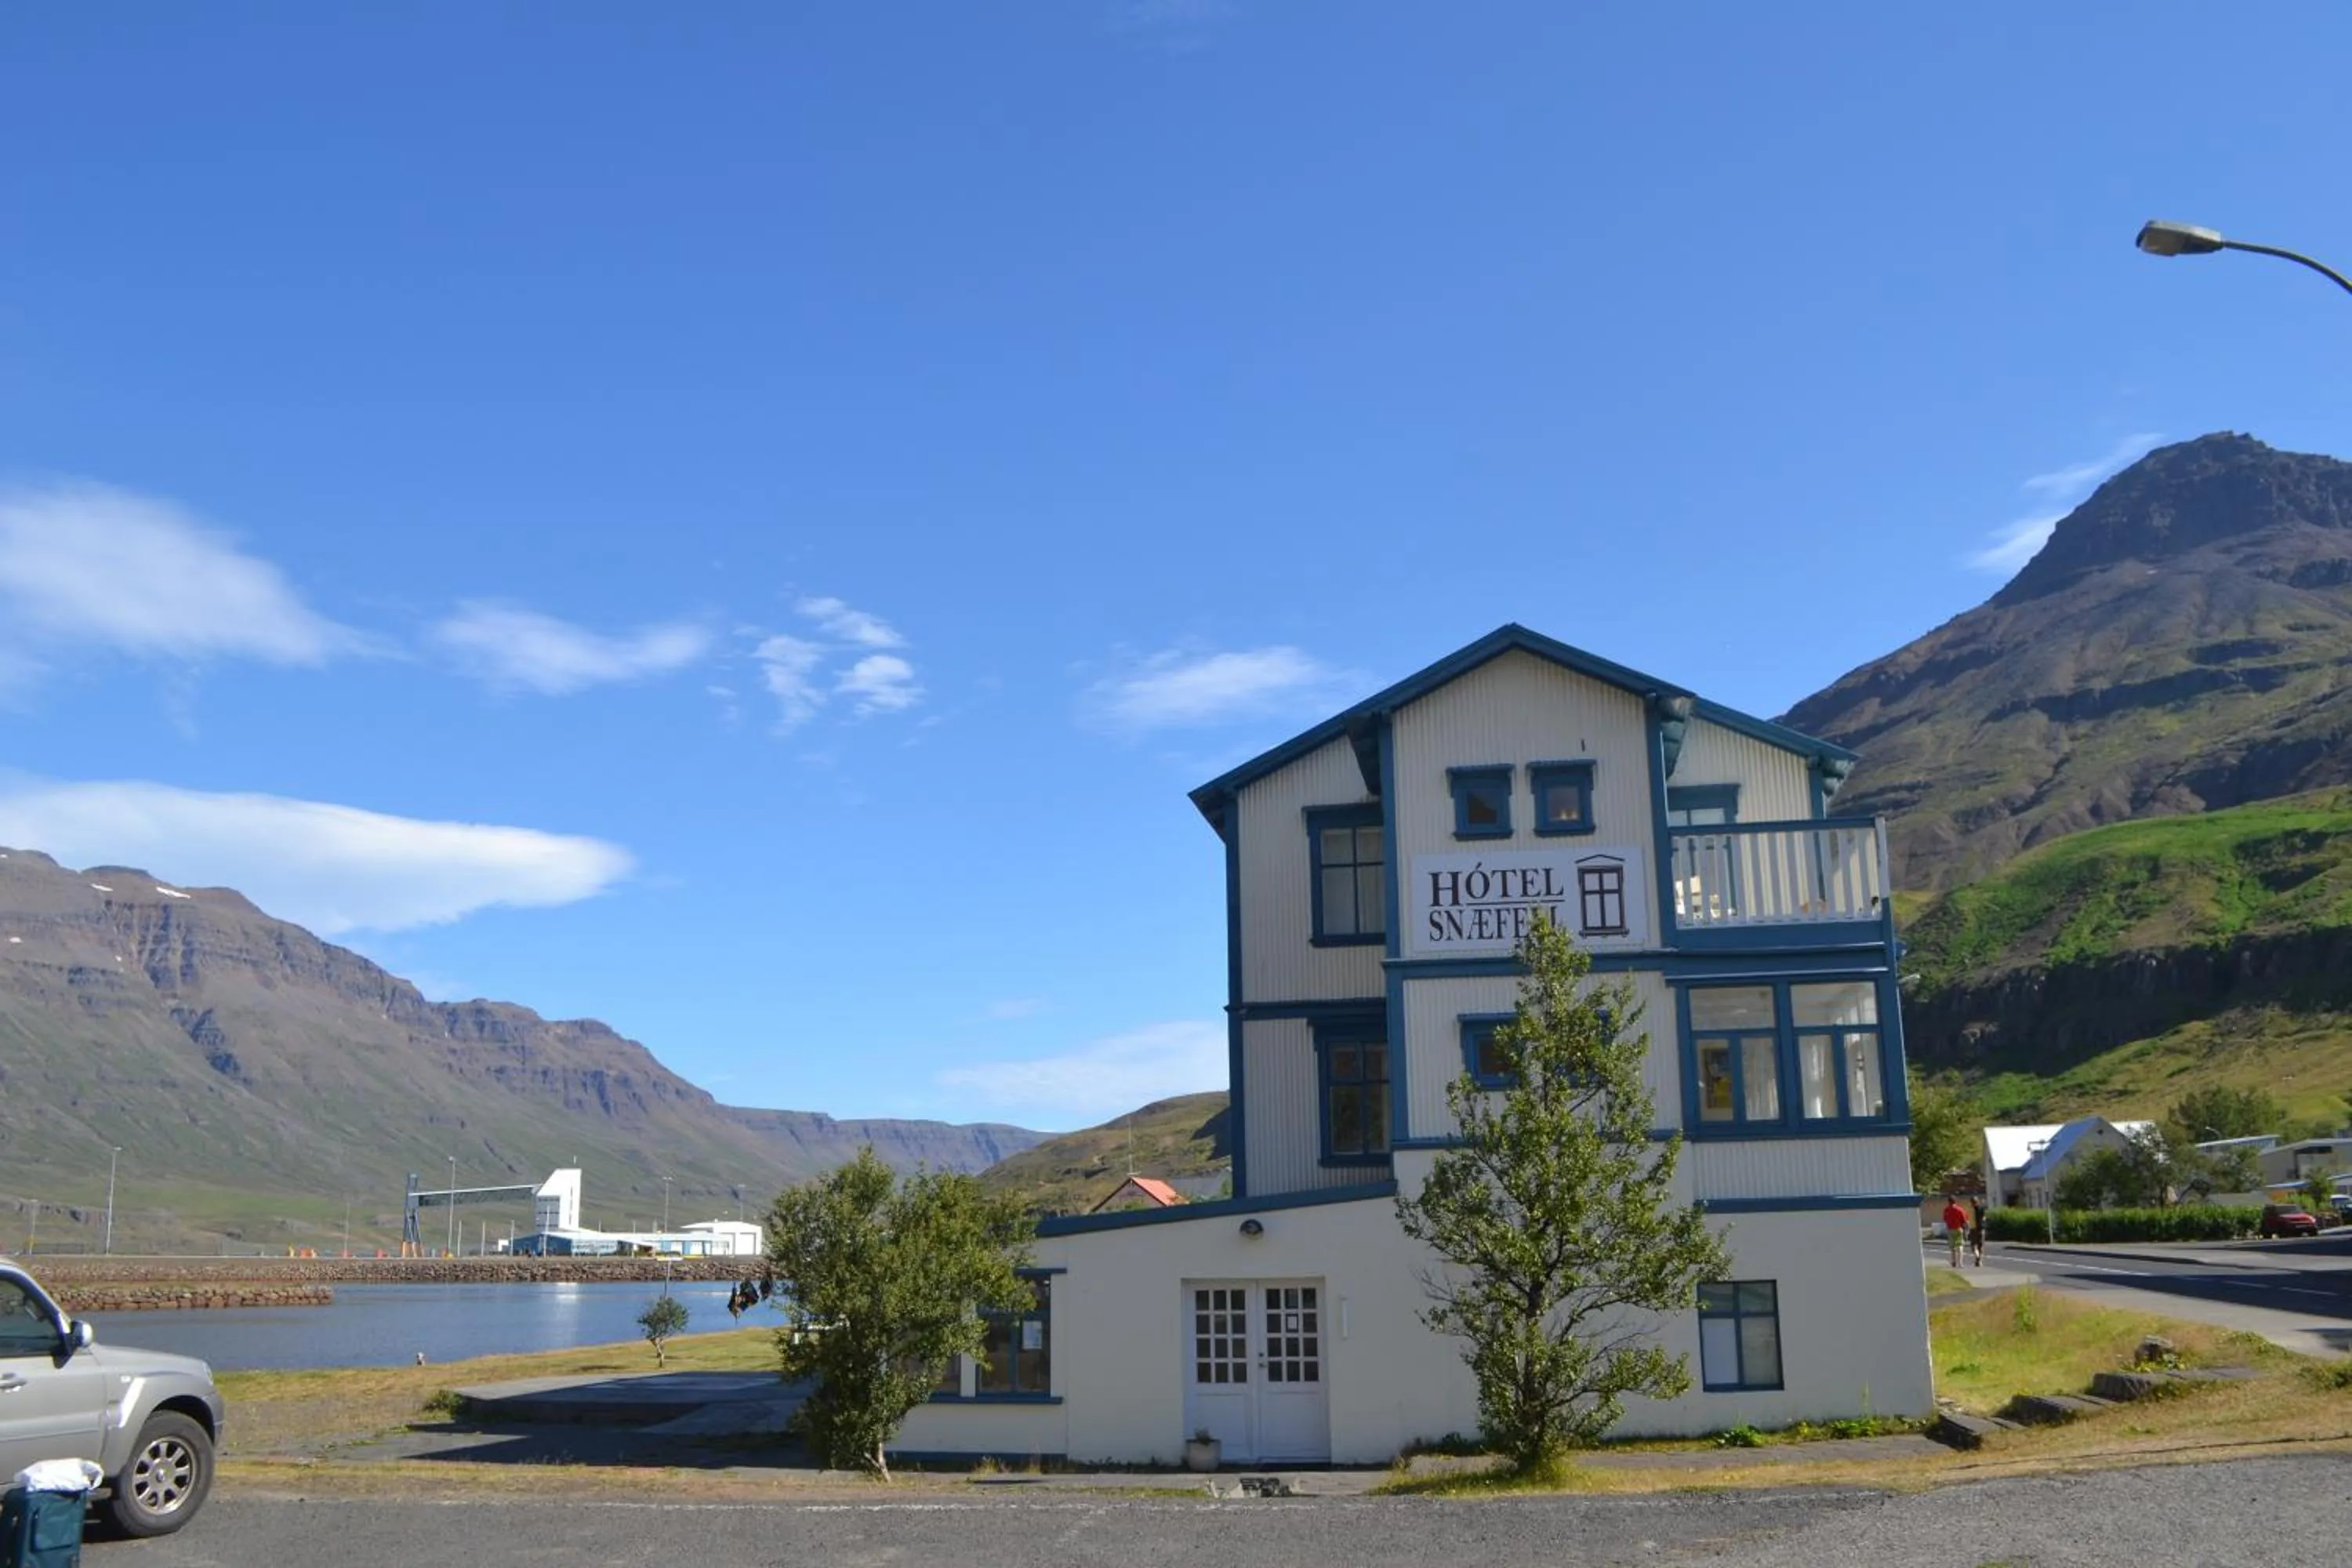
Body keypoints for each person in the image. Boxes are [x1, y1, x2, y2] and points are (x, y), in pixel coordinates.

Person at [1941, 1195, 1968, 1268]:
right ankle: (1960, 1262)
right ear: (1955, 1201)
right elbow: (1964, 1220)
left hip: (1950, 1229)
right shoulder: (1960, 1209)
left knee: (1952, 1246)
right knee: (1960, 1245)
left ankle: (1953, 1261)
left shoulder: (1946, 1210)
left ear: (1948, 1201)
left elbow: (1945, 1219)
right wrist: (1966, 1230)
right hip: (1958, 1228)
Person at [1969, 1196, 1987, 1268]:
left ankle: (1977, 1257)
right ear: (1977, 1201)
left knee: (1973, 1245)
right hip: (1981, 1229)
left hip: (1973, 1229)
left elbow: (1969, 1219)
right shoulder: (1981, 1209)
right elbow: (1984, 1218)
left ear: (1971, 1202)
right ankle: (1979, 1261)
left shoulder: (1970, 1209)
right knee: (1980, 1245)